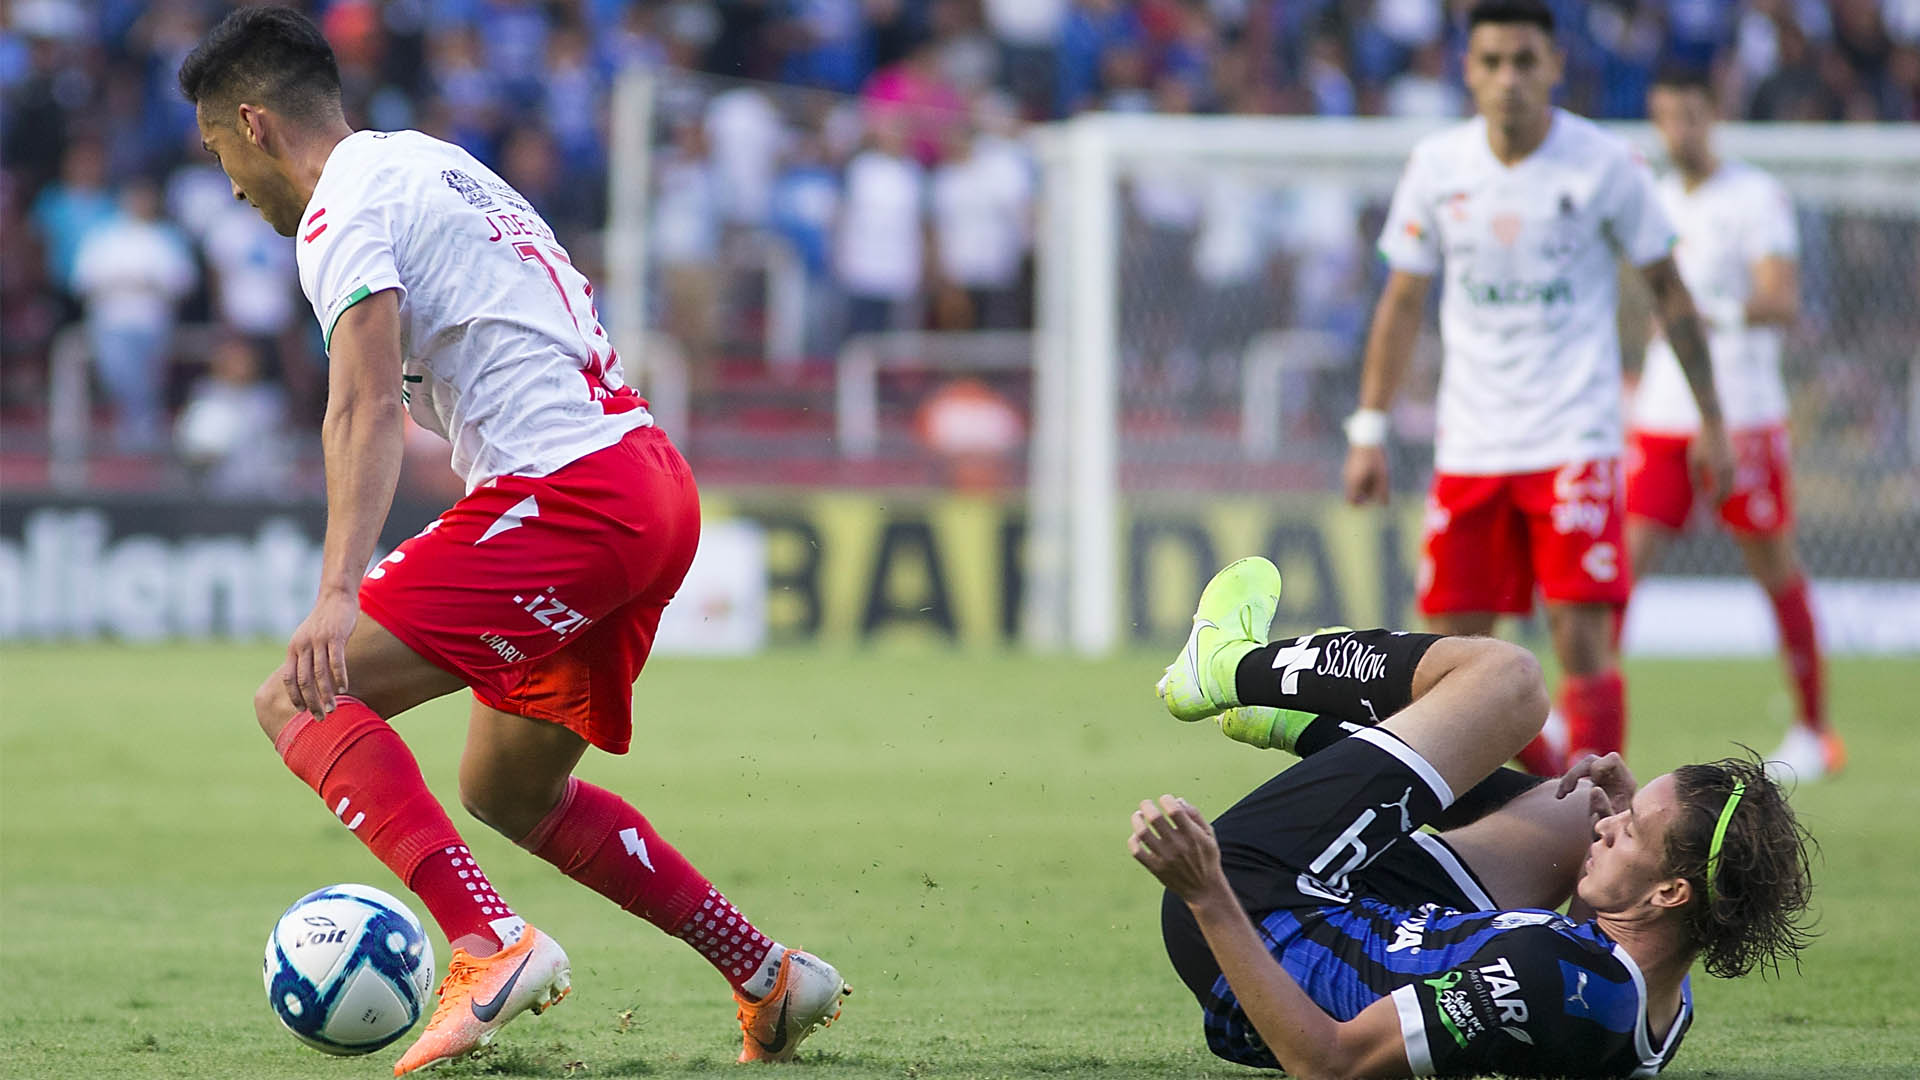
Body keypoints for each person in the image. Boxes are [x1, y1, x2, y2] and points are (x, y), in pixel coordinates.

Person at [177, 10, 849, 1075]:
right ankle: (768, 974)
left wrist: (337, 590)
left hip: (573, 495)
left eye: (218, 151)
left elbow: (359, 405)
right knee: (508, 789)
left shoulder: (339, 210)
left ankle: (489, 943)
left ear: (253, 123)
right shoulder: (430, 165)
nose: (229, 184)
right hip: (649, 484)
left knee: (303, 692)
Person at [1145, 557, 1816, 1078]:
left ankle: (1232, 668)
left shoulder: (1536, 970)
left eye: (1632, 830)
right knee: (1577, 806)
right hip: (1380, 922)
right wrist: (1622, 819)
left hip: (1263, 917)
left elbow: (1330, 1062)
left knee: (1510, 682)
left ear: (1671, 890)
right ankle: (1308, 723)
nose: (1614, 826)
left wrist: (1207, 893)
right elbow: (1577, 999)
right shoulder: (1660, 1004)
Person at [1344, 0, 1735, 774]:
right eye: (1491, 62)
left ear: (1555, 66)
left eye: (1525, 61)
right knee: (1451, 654)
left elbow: (1671, 291)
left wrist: (1713, 420)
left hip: (1574, 438)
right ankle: (1552, 790)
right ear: (1467, 70)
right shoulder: (1437, 166)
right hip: (1472, 442)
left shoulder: (1604, 165)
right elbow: (1401, 304)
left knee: (1580, 639)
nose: (1508, 80)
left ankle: (1598, 839)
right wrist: (1367, 429)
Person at [1627, 67, 1844, 784]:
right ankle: (1579, 713)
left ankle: (1814, 728)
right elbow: (1639, 309)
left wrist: (1707, 312)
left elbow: (1782, 301)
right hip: (1662, 411)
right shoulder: (1653, 200)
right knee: (1620, 570)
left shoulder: (1757, 197)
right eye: (1666, 116)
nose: (1679, 130)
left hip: (1744, 413)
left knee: (1772, 567)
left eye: (1690, 114)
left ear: (1714, 113)